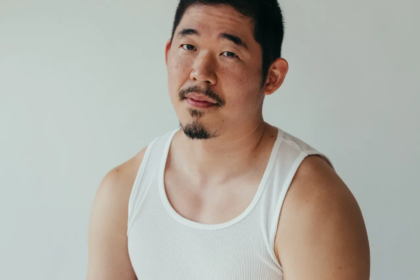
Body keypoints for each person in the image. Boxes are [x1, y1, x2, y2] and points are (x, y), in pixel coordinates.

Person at [86, 1, 370, 279]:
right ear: (168, 53)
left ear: (272, 77)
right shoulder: (123, 190)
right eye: (188, 46)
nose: (200, 72)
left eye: (228, 53)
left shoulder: (310, 201)